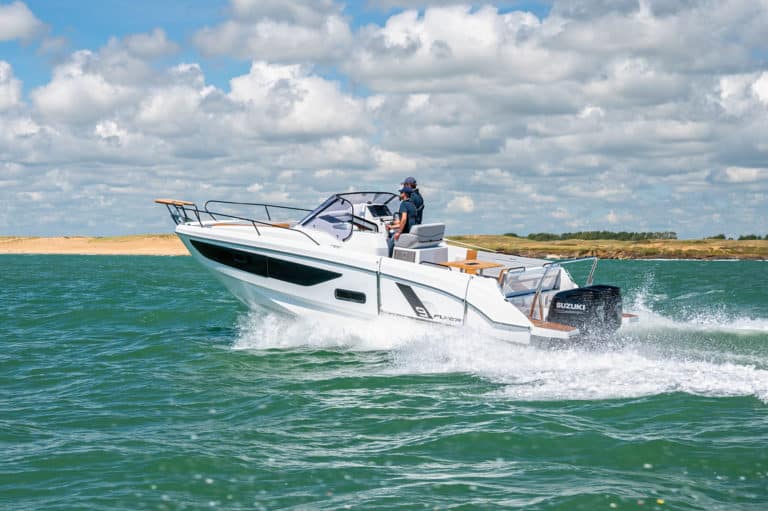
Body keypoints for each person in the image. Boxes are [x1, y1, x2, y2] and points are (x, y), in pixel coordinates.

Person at [386, 186, 417, 257]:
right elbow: (406, 221)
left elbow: (404, 220)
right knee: (392, 232)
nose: (400, 193)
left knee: (390, 240)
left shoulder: (404, 204)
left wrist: (399, 232)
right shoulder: (412, 204)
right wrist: (391, 226)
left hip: (405, 232)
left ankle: (388, 258)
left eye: (401, 192)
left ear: (405, 194)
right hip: (410, 231)